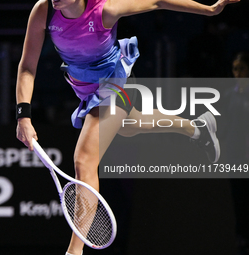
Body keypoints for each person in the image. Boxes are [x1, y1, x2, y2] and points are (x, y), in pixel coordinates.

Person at [15, 0, 240, 254]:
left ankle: (74, 252)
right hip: (86, 89)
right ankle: (197, 128)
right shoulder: (44, 11)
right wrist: (23, 115)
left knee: (84, 160)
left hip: (115, 81)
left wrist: (209, 10)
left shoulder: (105, 10)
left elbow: (157, 2)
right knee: (129, 126)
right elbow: (27, 67)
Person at [222, 51, 249, 255]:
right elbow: (225, 127)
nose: (237, 73)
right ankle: (241, 239)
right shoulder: (229, 95)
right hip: (235, 158)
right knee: (239, 201)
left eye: (241, 69)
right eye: (235, 69)